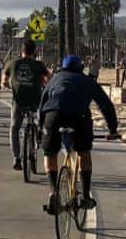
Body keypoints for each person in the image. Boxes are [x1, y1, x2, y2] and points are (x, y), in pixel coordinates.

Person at [40, 54, 120, 214]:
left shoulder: (54, 80)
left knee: (50, 154)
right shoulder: (87, 81)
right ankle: (85, 197)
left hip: (52, 116)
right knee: (84, 153)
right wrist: (112, 130)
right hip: (79, 117)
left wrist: (41, 128)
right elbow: (105, 105)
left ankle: (53, 192)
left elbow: (42, 104)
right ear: (80, 68)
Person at [4, 39, 50, 170]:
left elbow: (4, 81)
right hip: (35, 102)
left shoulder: (12, 63)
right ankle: (39, 132)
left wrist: (12, 86)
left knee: (14, 128)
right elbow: (49, 78)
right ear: (34, 51)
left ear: (21, 51)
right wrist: (44, 86)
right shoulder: (38, 64)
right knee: (41, 115)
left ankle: (17, 158)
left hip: (18, 102)